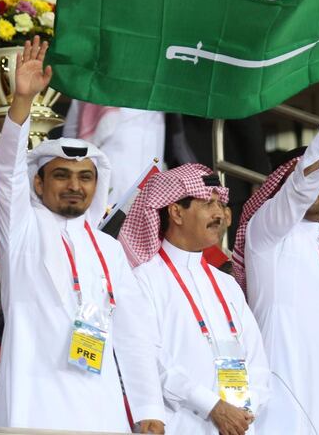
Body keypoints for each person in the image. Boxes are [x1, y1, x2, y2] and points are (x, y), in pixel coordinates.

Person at [0, 37, 165, 432]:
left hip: (98, 404)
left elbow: (134, 331)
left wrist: (148, 409)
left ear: (96, 184)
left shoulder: (109, 249)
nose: (75, 185)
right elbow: (7, 173)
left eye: (85, 177)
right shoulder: (22, 228)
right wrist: (21, 101)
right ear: (39, 184)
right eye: (61, 175)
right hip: (33, 400)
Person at [231, 94, 319, 435]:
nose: (316, 188)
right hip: (282, 388)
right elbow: (299, 191)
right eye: (305, 180)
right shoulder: (267, 232)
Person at [119, 164, 270, 435]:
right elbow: (148, 360)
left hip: (238, 426)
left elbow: (256, 358)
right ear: (176, 212)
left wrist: (246, 410)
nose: (220, 214)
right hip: (180, 425)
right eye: (207, 203)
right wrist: (213, 406)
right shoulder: (142, 279)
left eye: (220, 204)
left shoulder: (227, 283)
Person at [63, 101, 165, 206]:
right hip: (104, 172)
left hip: (150, 181)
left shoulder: (159, 95)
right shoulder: (93, 88)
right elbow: (70, 138)